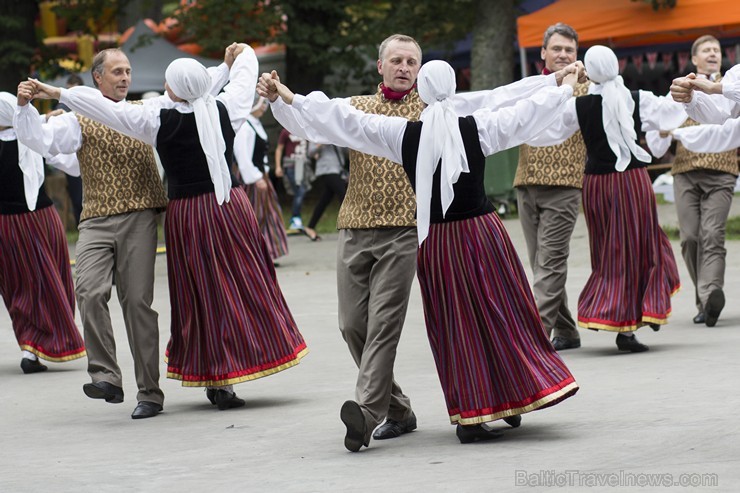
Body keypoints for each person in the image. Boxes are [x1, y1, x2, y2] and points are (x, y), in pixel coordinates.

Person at [267, 33, 586, 452]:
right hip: (480, 235)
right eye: (396, 60)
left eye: (411, 63)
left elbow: (341, 121)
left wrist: (288, 97)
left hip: (434, 240)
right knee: (501, 315)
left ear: (422, 82)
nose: (403, 68)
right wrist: (560, 87)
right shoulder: (476, 124)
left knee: (454, 328)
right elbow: (517, 109)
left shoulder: (403, 133)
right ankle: (504, 395)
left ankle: (475, 410)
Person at [21, 44, 308, 411]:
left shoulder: (155, 117)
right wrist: (237, 57)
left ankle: (203, 379)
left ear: (172, 87)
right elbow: (238, 78)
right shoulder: (223, 108)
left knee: (199, 298)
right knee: (239, 288)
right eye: (118, 71)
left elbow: (106, 110)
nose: (127, 78)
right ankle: (230, 372)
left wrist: (59, 92)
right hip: (230, 208)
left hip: (188, 214)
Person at [15, 47, 193, 419]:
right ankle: (107, 377)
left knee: (137, 303)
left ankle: (150, 392)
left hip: (140, 216)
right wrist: (24, 107)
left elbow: (192, 93)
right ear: (98, 77)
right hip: (95, 219)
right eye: (117, 72)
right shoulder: (76, 118)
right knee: (88, 292)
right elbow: (41, 142)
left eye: (128, 71)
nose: (125, 77)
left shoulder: (148, 110)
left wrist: (226, 69)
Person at [527, 45, 681, 352]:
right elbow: (671, 113)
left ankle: (627, 316)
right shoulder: (638, 99)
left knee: (610, 251)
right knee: (642, 244)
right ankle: (644, 309)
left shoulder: (578, 106)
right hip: (634, 181)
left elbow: (545, 131)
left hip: (597, 184)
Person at [646, 35, 738, 327]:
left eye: (717, 50)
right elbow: (657, 139)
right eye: (706, 50)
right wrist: (660, 133)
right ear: (694, 59)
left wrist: (712, 88)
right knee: (690, 238)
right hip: (685, 172)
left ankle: (710, 295)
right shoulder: (681, 89)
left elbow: (722, 117)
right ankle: (705, 297)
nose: (713, 54)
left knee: (712, 234)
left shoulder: (731, 86)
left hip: (721, 170)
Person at [514, 23, 588, 351]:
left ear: (577, 55)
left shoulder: (588, 89)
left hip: (565, 186)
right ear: (543, 52)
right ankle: (567, 330)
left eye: (569, 50)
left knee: (550, 263)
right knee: (539, 263)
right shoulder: (528, 88)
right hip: (526, 182)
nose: (562, 55)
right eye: (556, 49)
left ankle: (534, 340)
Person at [0, 92, 86, 374]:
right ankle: (42, 345)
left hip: (5, 226)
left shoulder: (23, 133)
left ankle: (29, 345)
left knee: (18, 289)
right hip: (39, 219)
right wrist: (47, 119)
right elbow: (36, 133)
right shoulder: (30, 139)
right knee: (52, 282)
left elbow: (22, 125)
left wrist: (45, 118)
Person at [234, 95, 289, 261]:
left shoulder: (254, 123)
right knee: (254, 214)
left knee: (267, 213)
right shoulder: (244, 125)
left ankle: (267, 253)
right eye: (261, 103)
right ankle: (251, 254)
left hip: (259, 174)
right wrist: (256, 178)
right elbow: (242, 157)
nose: (264, 106)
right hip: (250, 178)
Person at [303, 143, 348, 241]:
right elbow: (310, 152)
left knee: (324, 200)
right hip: (326, 170)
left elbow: (346, 152)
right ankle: (348, 226)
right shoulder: (318, 132)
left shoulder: (336, 130)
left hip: (338, 169)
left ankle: (310, 227)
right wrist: (323, 142)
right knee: (344, 196)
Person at [275, 128, 308, 231]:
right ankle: (295, 218)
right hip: (291, 164)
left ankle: (296, 218)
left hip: (302, 165)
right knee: (299, 191)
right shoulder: (286, 130)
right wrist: (278, 166)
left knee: (300, 191)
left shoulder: (304, 128)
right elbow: (279, 149)